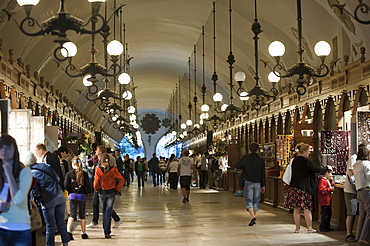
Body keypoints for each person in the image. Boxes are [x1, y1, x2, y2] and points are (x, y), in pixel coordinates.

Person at [25, 151, 70, 246]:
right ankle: (65, 243)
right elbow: (57, 179)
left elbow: (35, 191)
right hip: (59, 197)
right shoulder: (45, 166)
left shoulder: (31, 174)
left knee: (50, 226)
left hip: (48, 201)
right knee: (61, 223)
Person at [284, 142, 328, 233]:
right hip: (304, 188)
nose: (309, 153)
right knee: (307, 209)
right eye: (308, 151)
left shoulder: (294, 161)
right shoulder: (307, 162)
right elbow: (318, 169)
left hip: (294, 187)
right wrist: (326, 168)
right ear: (303, 151)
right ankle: (309, 228)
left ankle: (297, 228)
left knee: (296, 209)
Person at [0, 135, 33, 246]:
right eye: (1, 147)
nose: (4, 150)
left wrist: (9, 174)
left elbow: (19, 199)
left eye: (8, 147)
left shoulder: (25, 173)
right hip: (1, 228)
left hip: (20, 229)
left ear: (15, 150)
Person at [87, 146, 122, 229]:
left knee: (105, 207)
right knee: (99, 205)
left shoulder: (109, 158)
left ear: (101, 151)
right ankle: (96, 222)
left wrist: (116, 187)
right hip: (101, 186)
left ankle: (113, 221)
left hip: (103, 186)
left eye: (97, 150)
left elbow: (113, 171)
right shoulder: (99, 159)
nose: (95, 151)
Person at [94, 153, 124, 239]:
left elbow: (96, 182)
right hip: (111, 192)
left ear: (100, 161)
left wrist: (97, 189)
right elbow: (121, 179)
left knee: (104, 212)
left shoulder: (98, 170)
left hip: (102, 193)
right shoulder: (113, 170)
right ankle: (107, 232)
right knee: (108, 211)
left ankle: (106, 231)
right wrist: (117, 189)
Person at [236, 143, 266, 226]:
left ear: (249, 149)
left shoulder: (246, 158)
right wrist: (263, 185)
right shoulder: (261, 160)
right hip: (258, 182)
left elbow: (237, 166)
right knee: (256, 200)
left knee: (249, 200)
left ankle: (252, 216)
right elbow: (263, 173)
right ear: (257, 150)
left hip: (248, 181)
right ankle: (253, 216)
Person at [64, 156, 91, 240]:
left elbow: (65, 185)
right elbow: (88, 187)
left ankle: (69, 232)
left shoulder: (69, 174)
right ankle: (83, 233)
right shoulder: (84, 174)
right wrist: (86, 193)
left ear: (72, 164)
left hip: (72, 196)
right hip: (82, 196)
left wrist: (70, 191)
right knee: (82, 215)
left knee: (72, 214)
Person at [353, 145, 370, 245]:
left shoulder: (356, 164)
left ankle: (358, 236)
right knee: (369, 214)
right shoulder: (366, 164)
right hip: (367, 190)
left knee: (362, 214)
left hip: (359, 190)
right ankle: (363, 238)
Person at [344, 151, 360, 242]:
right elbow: (352, 172)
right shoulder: (353, 158)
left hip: (358, 190)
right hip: (351, 190)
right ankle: (349, 234)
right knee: (352, 212)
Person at [317, 166, 334, 232]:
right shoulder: (322, 180)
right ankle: (323, 226)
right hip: (324, 200)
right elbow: (322, 190)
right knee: (325, 214)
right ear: (326, 173)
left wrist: (331, 180)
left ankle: (327, 226)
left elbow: (331, 184)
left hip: (328, 199)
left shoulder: (327, 180)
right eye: (330, 173)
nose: (331, 175)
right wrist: (329, 189)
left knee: (328, 213)